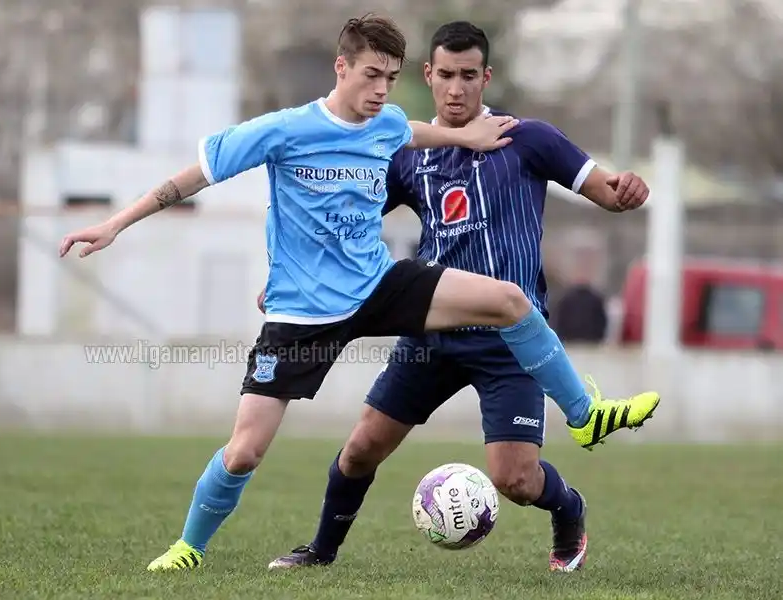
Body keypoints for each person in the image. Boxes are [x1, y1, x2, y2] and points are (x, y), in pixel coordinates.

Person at [57, 15, 655, 573]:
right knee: (248, 453)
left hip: (380, 287)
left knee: (511, 302)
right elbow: (188, 180)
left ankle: (584, 414)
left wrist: (471, 138)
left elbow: (414, 130)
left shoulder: (399, 126)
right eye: (372, 76)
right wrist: (115, 223)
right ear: (341, 69)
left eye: (390, 79)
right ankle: (190, 548)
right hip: (304, 313)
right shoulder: (284, 130)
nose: (380, 91)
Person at [266, 21, 657, 574]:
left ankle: (568, 508)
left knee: (515, 480)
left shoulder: (530, 139)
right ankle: (320, 551)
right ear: (428, 75)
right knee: (360, 450)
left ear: (485, 77)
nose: (456, 88)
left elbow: (606, 192)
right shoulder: (410, 155)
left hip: (510, 342)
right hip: (433, 332)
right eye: (445, 75)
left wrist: (627, 191)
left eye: (468, 76)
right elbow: (346, 223)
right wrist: (292, 270)